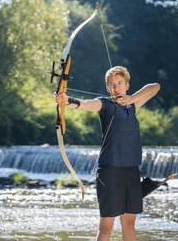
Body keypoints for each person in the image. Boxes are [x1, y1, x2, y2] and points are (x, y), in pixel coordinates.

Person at [54, 66, 160, 241]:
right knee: (106, 226)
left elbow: (155, 87)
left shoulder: (132, 105)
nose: (116, 87)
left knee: (129, 223)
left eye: (119, 83)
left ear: (127, 85)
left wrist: (132, 98)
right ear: (107, 88)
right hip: (110, 171)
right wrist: (66, 100)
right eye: (112, 84)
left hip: (131, 170)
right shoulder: (105, 104)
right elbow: (85, 104)